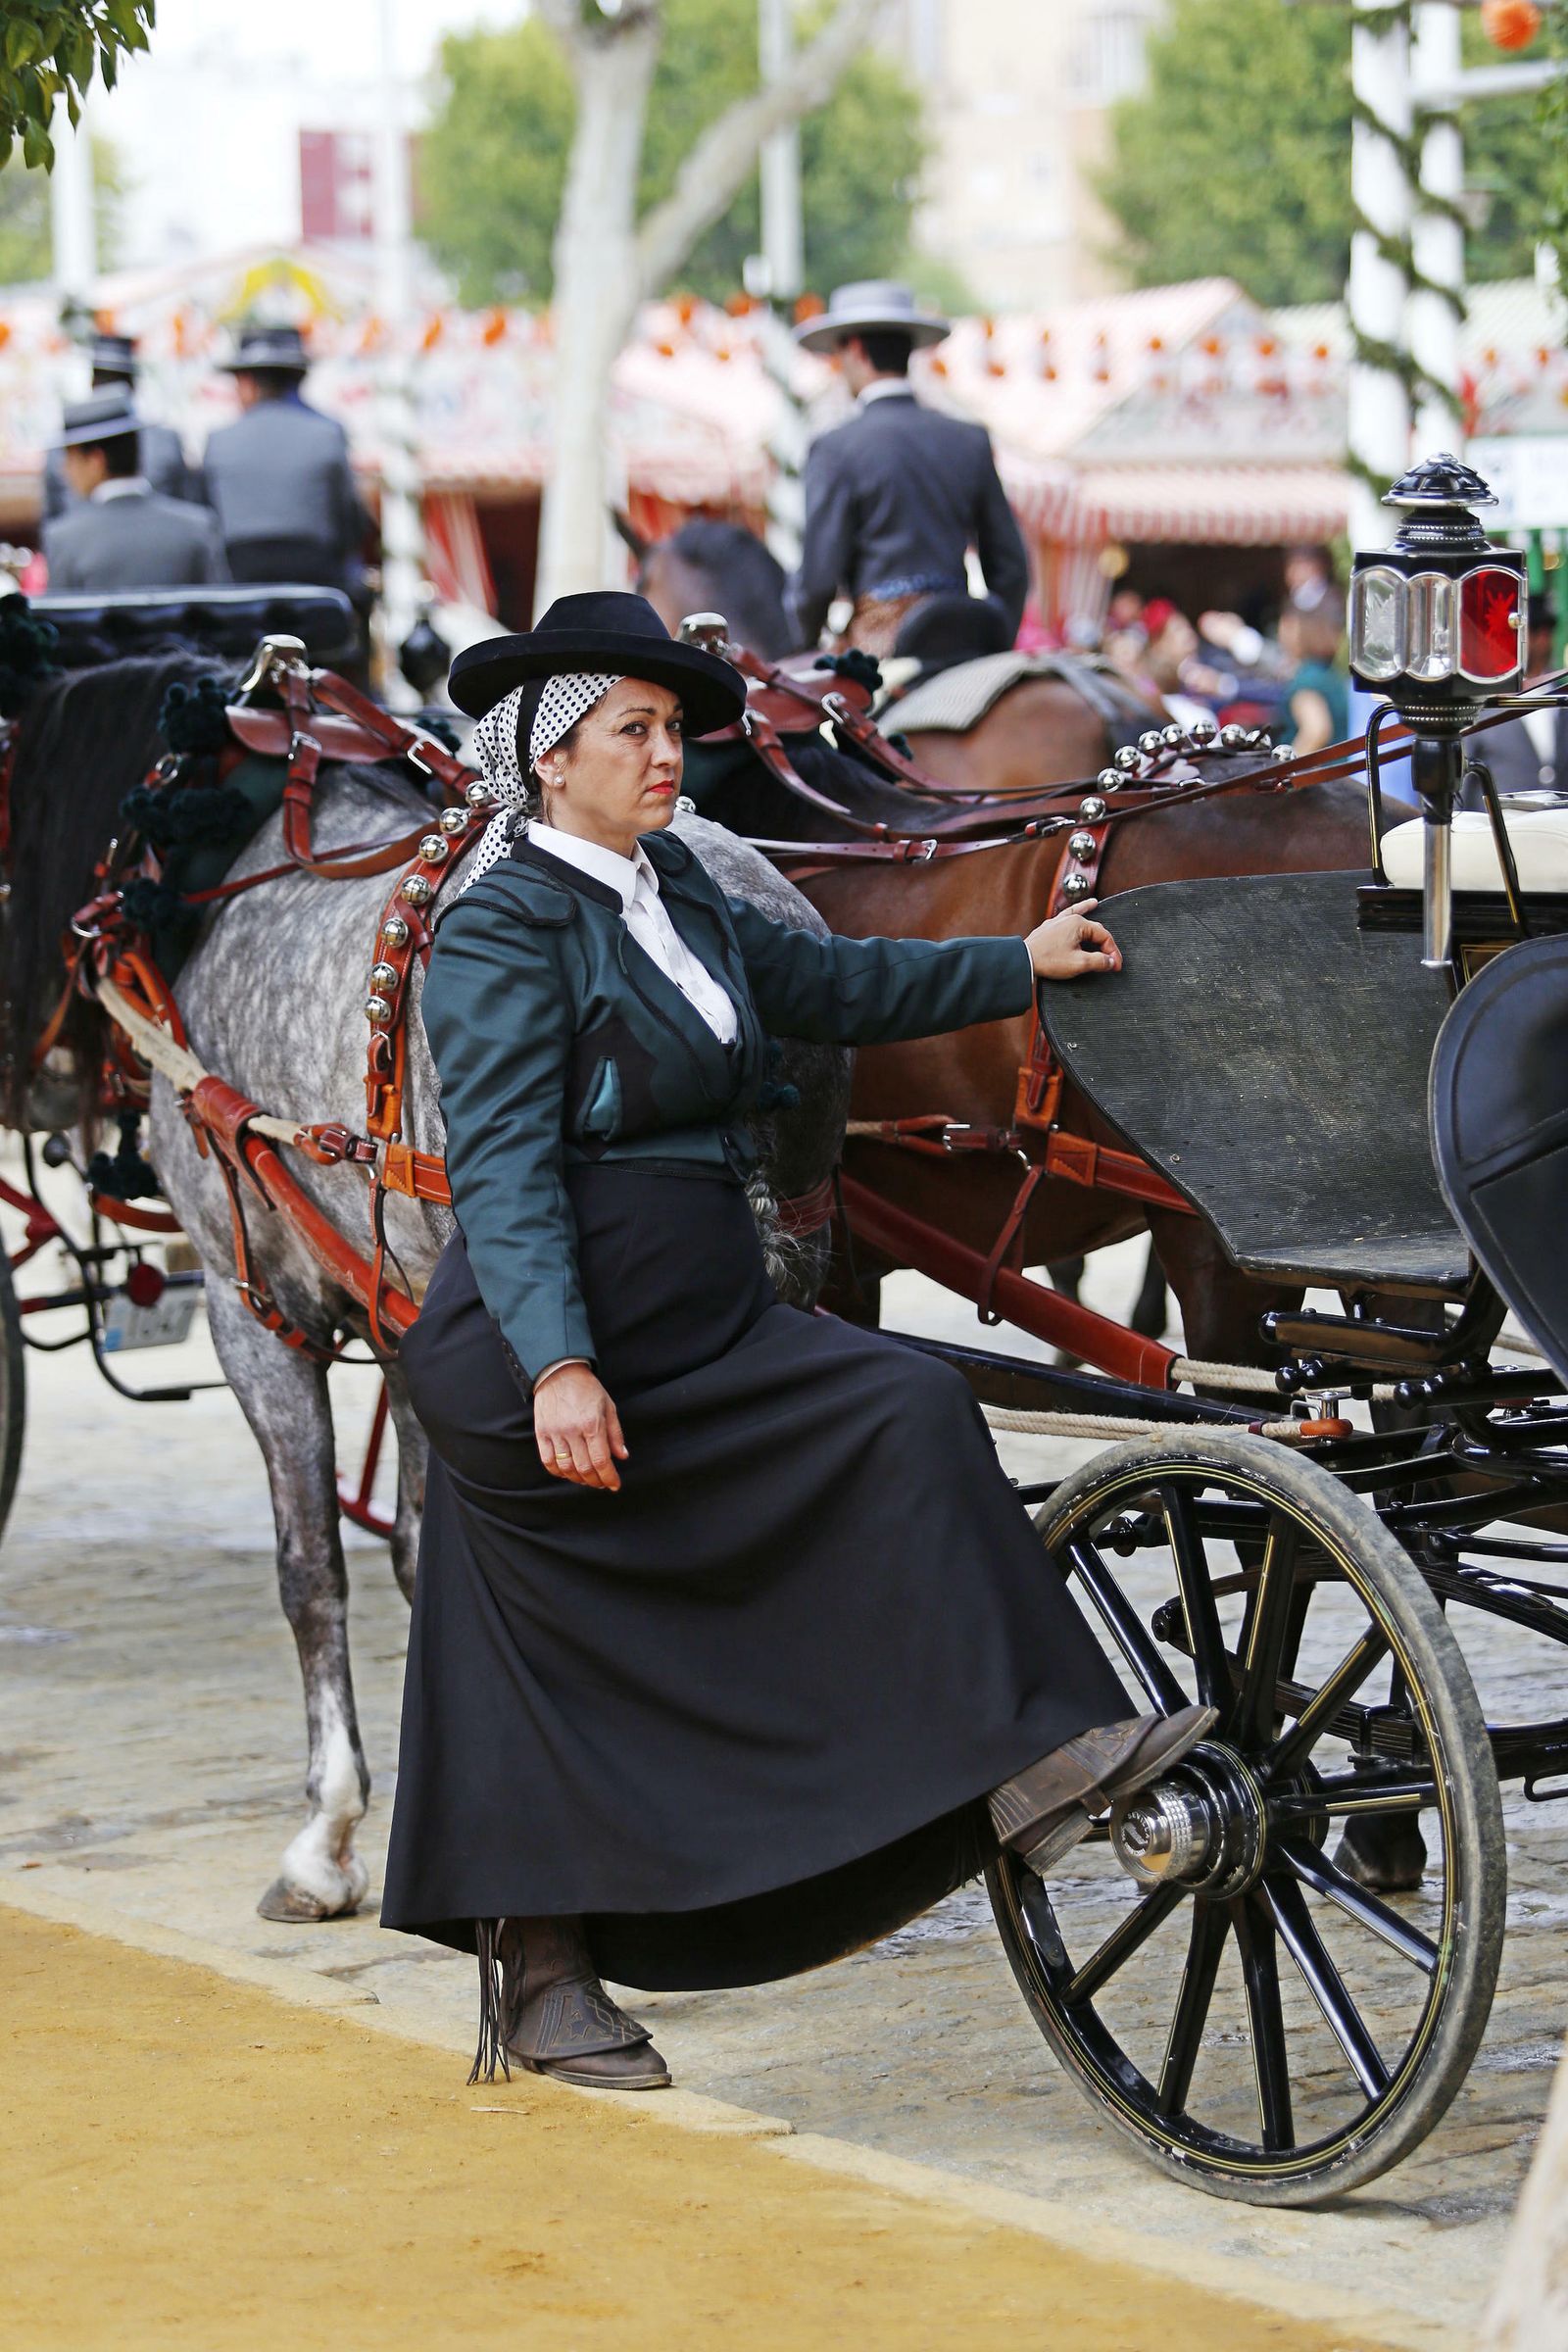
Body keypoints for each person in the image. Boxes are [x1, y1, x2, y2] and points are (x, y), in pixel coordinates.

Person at [381, 590, 1215, 2090]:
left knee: (905, 1406)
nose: (666, 755)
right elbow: (504, 1168)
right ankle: (541, 1975)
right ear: (551, 758)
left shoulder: (680, 893)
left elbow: (834, 988)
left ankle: (1026, 1751)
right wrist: (561, 1364)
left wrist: (1019, 962)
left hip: (700, 1319)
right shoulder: (501, 925)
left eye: (670, 730)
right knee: (559, 1628)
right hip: (554, 1345)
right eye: (633, 730)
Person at [787, 281, 1029, 657]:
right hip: (963, 636)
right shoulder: (968, 439)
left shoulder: (836, 448)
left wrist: (801, 643)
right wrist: (995, 639)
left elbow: (817, 581)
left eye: (839, 353)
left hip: (882, 640)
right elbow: (1010, 568)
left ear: (855, 349)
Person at [199, 323, 369, 593]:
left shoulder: (219, 440)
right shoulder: (328, 434)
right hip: (317, 581)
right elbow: (350, 520)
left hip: (241, 583)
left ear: (248, 384)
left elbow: (207, 520)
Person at [41, 391, 228, 593]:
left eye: (70, 458)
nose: (64, 469)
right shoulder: (197, 527)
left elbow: (59, 620)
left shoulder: (65, 539)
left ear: (96, 460)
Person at [41, 331, 193, 521]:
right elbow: (186, 505)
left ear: (91, 383)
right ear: (134, 385)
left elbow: (51, 521)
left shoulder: (64, 449)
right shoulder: (165, 442)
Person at [1462, 589, 1568, 801]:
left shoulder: (1562, 693)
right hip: (1495, 829)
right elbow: (1457, 788)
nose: (1542, 639)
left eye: (1547, 631)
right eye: (1535, 630)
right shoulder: (1480, 699)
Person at [1275, 597, 1348, 754]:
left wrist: (1287, 770)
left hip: (1318, 774)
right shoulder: (1327, 673)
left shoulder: (1307, 680)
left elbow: (1316, 731)